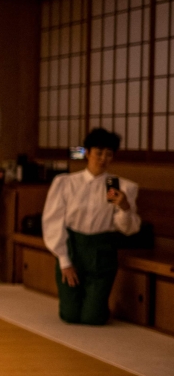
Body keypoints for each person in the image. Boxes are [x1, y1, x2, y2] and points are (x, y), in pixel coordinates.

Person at [42, 128, 141, 325]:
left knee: (92, 318)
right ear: (87, 153)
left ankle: (98, 305)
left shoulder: (121, 187)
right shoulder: (66, 183)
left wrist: (124, 207)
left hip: (101, 251)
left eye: (109, 154)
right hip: (72, 248)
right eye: (98, 152)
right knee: (70, 315)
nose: (103, 158)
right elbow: (53, 221)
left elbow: (129, 229)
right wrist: (64, 261)